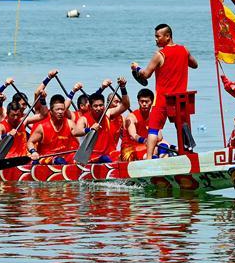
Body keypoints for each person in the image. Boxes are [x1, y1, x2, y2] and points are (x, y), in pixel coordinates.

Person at [131, 23, 199, 158]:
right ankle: (187, 155)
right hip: (180, 100)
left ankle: (149, 159)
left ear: (167, 37)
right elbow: (195, 65)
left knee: (153, 129)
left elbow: (146, 75)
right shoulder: (184, 50)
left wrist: (137, 68)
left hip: (163, 99)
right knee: (182, 127)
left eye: (158, 36)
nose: (155, 40)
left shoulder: (159, 54)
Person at [73, 78, 130, 163]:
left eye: (101, 105)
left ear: (104, 105)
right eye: (95, 106)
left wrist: (123, 87)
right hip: (92, 156)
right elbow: (75, 132)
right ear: (90, 107)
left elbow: (125, 105)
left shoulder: (107, 113)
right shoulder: (84, 119)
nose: (99, 108)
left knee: (127, 155)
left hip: (110, 153)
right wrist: (90, 129)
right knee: (106, 159)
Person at [26, 94, 79, 164]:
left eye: (62, 109)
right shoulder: (42, 127)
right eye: (57, 110)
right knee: (59, 161)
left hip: (66, 157)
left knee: (79, 159)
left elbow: (80, 142)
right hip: (47, 158)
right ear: (51, 112)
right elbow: (30, 142)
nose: (60, 112)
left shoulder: (70, 124)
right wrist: (33, 151)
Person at [120, 88, 154, 162]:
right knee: (151, 151)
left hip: (145, 147)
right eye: (142, 101)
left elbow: (160, 137)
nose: (144, 104)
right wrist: (145, 140)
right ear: (138, 102)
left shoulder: (153, 117)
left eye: (147, 101)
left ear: (152, 102)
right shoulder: (131, 117)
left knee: (163, 147)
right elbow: (133, 135)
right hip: (129, 151)